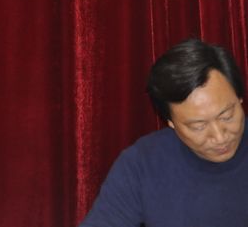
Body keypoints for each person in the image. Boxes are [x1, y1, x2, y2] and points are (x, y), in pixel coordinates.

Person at [79, 38, 248, 226]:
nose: (219, 136)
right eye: (198, 126)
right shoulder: (142, 163)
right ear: (170, 122)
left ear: (239, 98)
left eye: (227, 116)